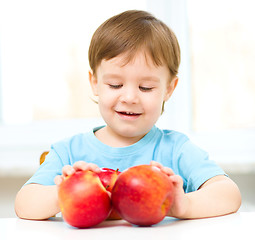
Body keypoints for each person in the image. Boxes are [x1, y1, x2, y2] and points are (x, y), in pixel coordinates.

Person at [15, 10, 241, 220]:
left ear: (169, 89)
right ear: (95, 83)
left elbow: (229, 195)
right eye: (115, 85)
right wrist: (64, 192)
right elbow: (24, 205)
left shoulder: (176, 149)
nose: (130, 97)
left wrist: (183, 205)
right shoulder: (69, 152)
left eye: (146, 88)